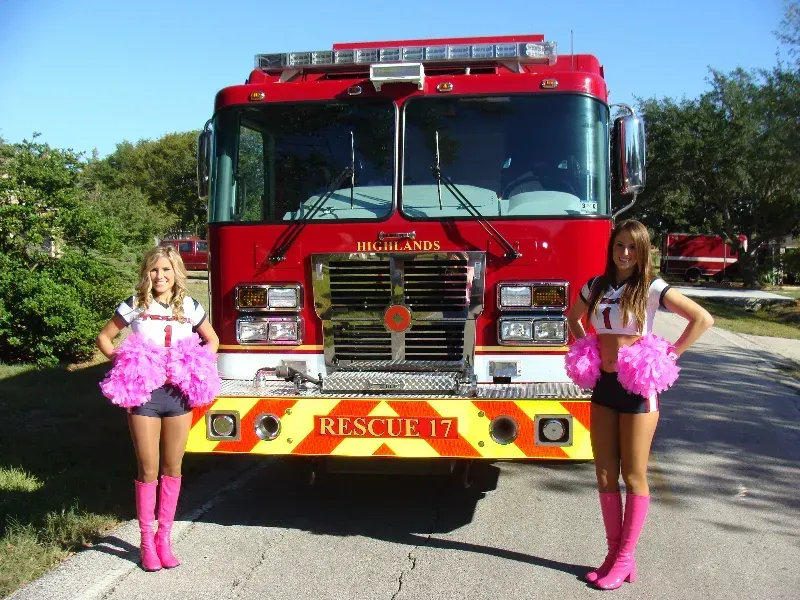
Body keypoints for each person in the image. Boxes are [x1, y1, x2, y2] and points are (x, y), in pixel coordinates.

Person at [566, 220, 713, 590]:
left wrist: (668, 353)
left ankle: (627, 557)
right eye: (619, 245)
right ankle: (613, 554)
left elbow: (702, 319)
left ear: (643, 250)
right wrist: (588, 347)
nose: (625, 253)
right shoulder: (596, 285)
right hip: (604, 387)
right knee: (603, 474)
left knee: (634, 475)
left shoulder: (651, 288)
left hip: (637, 390)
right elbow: (573, 319)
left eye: (632, 247)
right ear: (611, 248)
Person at [96, 246, 219, 572]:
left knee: (173, 468)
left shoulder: (190, 307)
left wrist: (195, 364)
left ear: (175, 272)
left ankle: (165, 539)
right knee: (148, 468)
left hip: (177, 396)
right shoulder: (135, 305)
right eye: (154, 270)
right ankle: (147, 542)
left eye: (166, 270)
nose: (160, 276)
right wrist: (125, 362)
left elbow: (212, 340)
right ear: (146, 273)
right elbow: (105, 338)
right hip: (143, 397)